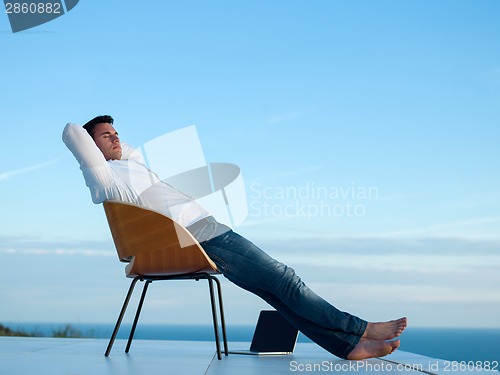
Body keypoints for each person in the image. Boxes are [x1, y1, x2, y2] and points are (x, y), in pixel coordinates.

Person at [62, 115, 407, 360]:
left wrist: (114, 140)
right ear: (91, 150)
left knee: (278, 292)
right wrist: (95, 137)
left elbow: (129, 151)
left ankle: (347, 347)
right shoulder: (105, 179)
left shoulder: (129, 166)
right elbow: (71, 132)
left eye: (117, 132)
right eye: (106, 136)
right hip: (198, 238)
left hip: (205, 232)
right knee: (287, 280)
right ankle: (361, 329)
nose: (116, 138)